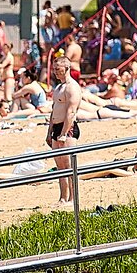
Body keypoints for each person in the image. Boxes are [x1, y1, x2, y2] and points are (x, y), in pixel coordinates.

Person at [47, 56, 82, 206]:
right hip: (56, 127)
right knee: (59, 165)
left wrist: (63, 132)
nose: (55, 72)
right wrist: (49, 132)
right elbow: (54, 110)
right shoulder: (59, 87)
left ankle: (73, 198)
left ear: (67, 69)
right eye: (54, 69)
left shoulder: (72, 87)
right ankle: (63, 197)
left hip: (67, 128)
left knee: (69, 164)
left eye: (58, 69)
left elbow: (71, 112)